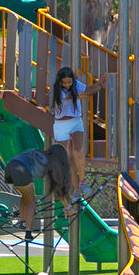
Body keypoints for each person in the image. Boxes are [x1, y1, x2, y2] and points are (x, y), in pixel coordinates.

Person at [50, 66, 104, 199]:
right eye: (64, 83)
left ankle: (82, 182)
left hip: (75, 121)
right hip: (61, 125)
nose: (67, 85)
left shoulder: (76, 84)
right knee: (69, 158)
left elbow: (88, 90)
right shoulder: (58, 91)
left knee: (78, 151)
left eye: (69, 82)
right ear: (60, 82)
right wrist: (100, 86)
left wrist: (99, 84)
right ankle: (75, 189)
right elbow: (82, 95)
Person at [3, 144, 72, 240]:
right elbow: (58, 189)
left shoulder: (38, 152)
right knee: (31, 202)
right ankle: (28, 232)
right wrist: (67, 206)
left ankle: (22, 221)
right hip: (22, 170)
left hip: (10, 167)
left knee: (25, 195)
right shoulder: (52, 164)